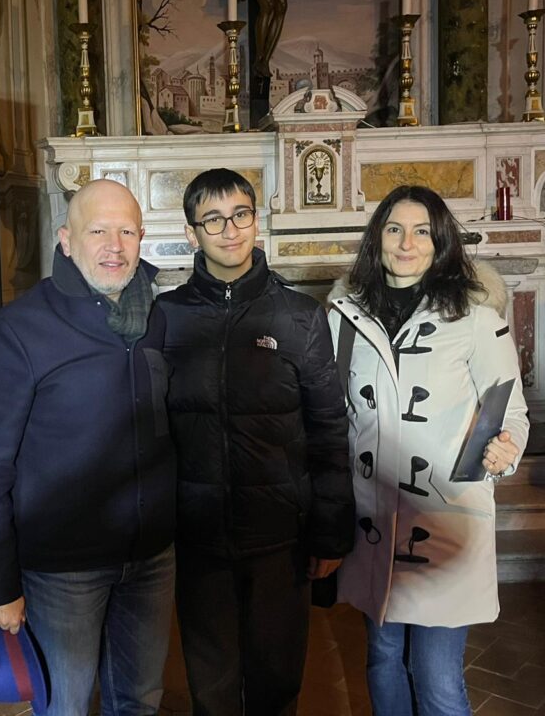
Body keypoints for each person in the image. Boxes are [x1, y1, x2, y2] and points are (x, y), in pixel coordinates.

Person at [0, 179, 176, 716]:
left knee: (140, 701)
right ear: (66, 239)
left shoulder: (156, 318)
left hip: (150, 558)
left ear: (142, 237)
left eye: (127, 232)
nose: (114, 246)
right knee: (67, 706)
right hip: (63, 570)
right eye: (98, 231)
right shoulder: (18, 331)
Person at [157, 168, 354, 716]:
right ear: (192, 232)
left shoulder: (299, 317)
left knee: (276, 682)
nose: (229, 230)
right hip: (197, 534)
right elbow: (150, 427)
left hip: (279, 537)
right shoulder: (166, 317)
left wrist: (330, 533)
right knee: (212, 687)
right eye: (213, 219)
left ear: (256, 222)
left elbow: (328, 429)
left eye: (240, 214)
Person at [327, 185, 530, 716]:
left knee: (436, 677)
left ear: (441, 243)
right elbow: (337, 415)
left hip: (444, 521)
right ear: (377, 238)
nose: (406, 243)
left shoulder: (476, 319)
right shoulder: (344, 317)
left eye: (422, 231)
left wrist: (504, 450)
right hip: (374, 517)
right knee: (383, 657)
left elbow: (509, 413)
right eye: (395, 229)